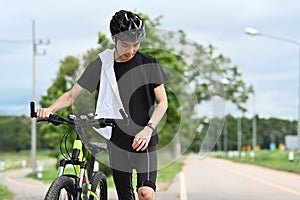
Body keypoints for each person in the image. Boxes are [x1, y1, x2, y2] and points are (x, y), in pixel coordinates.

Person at [37, 10, 168, 200]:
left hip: (144, 139)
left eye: (136, 45)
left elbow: (163, 103)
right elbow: (71, 95)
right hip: (116, 139)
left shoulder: (149, 63)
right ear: (113, 38)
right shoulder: (101, 64)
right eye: (125, 45)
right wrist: (49, 110)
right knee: (125, 195)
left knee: (146, 194)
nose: (131, 51)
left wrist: (148, 129)